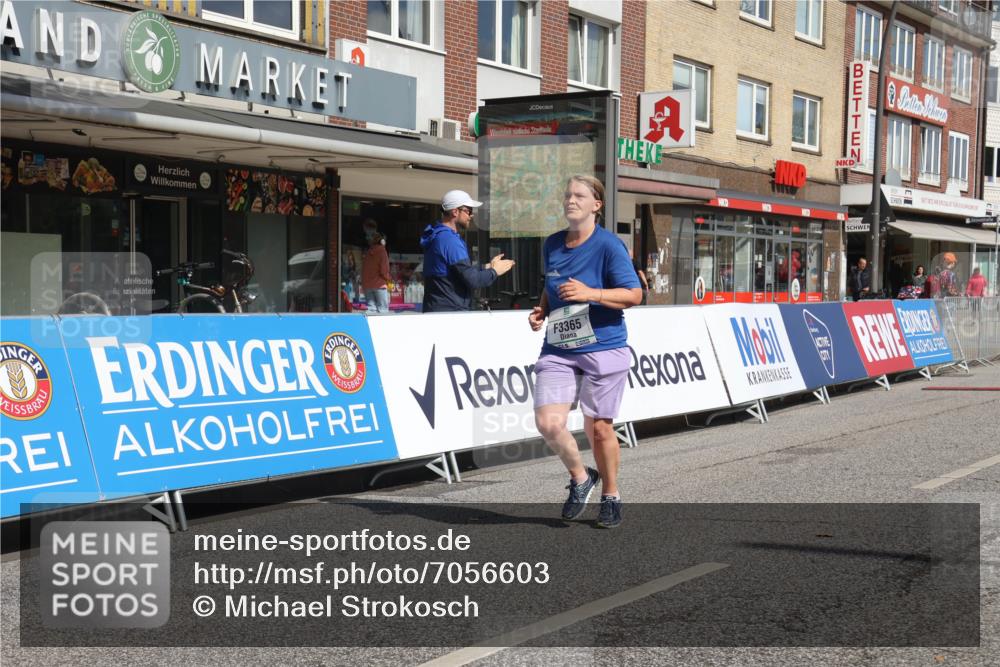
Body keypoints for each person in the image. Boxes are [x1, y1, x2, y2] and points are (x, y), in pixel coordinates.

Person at [527, 175, 643, 529]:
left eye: (579, 195)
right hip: (559, 348)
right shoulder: (552, 244)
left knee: (600, 430)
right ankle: (581, 478)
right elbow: (553, 285)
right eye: (566, 195)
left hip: (603, 347)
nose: (570, 201)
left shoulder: (609, 246)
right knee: (548, 422)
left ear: (597, 205)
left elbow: (634, 295)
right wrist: (542, 310)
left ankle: (611, 494)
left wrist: (591, 293)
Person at [420, 190, 514, 312]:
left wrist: (487, 266)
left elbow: (455, 271)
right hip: (451, 314)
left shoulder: (438, 236)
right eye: (468, 211)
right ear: (455, 212)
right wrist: (495, 271)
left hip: (438, 310)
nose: (471, 215)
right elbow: (473, 280)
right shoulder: (449, 240)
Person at [361, 232, 391, 313]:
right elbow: (384, 270)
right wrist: (389, 279)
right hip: (379, 285)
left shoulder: (368, 253)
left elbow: (364, 269)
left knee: (371, 310)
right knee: (383, 310)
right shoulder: (382, 252)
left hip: (367, 285)